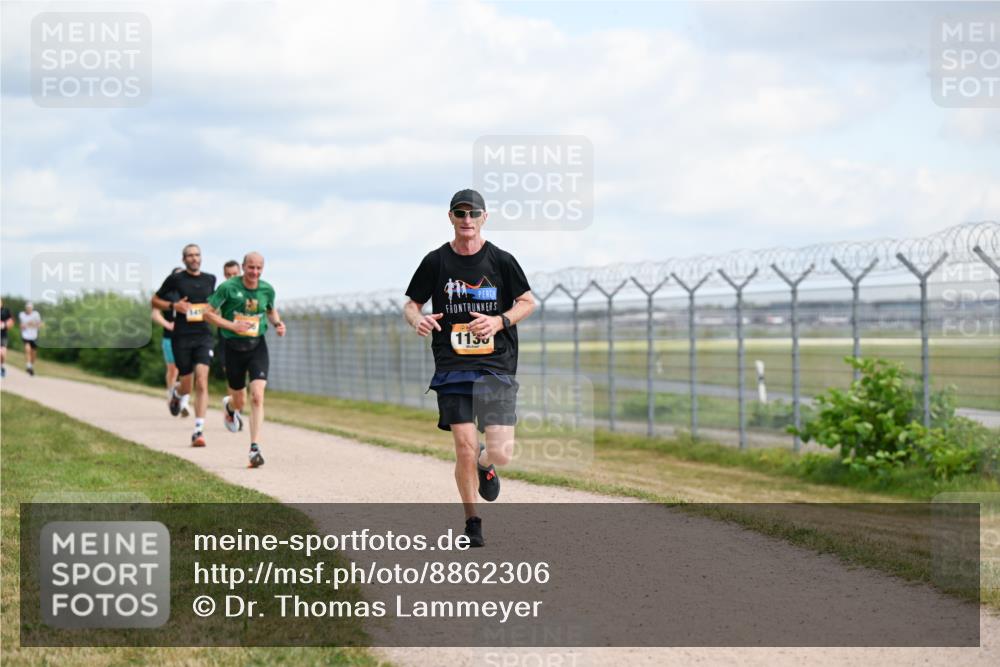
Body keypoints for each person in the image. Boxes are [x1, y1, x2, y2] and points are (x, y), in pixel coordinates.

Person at [403, 189, 535, 547]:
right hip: (452, 366)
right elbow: (411, 303)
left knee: (501, 452)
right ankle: (472, 521)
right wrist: (417, 319)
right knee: (462, 444)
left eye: (472, 214)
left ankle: (485, 462)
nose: (466, 220)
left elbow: (527, 301)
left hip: (496, 365)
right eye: (459, 214)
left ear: (484, 218)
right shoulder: (436, 261)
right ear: (450, 217)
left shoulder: (502, 260)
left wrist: (499, 321)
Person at [205, 252, 285, 468]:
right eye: (251, 267)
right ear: (243, 267)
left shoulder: (267, 289)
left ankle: (254, 448)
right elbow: (207, 313)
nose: (255, 272)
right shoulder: (228, 288)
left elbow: (270, 309)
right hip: (233, 348)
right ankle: (230, 407)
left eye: (259, 268)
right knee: (239, 401)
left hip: (257, 346)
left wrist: (278, 323)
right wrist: (232, 326)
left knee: (257, 396)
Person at [151, 244, 217, 447]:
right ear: (184, 259)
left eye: (197, 255)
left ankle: (198, 430)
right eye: (190, 255)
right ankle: (177, 394)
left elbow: (213, 303)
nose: (194, 258)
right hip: (181, 337)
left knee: (202, 381)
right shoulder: (176, 279)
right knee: (187, 384)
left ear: (201, 257)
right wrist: (174, 306)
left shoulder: (210, 279)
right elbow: (154, 301)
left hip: (204, 336)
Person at [152, 267, 185, 412]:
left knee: (187, 370)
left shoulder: (190, 292)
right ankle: (171, 394)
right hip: (170, 337)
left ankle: (183, 402)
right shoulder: (166, 294)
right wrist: (167, 324)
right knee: (173, 370)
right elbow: (155, 313)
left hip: (188, 336)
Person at [216, 260, 242, 376]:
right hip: (226, 336)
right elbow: (211, 311)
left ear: (240, 272)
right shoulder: (221, 291)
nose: (232, 277)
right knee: (230, 371)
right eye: (228, 275)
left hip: (245, 335)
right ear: (224, 275)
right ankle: (233, 394)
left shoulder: (251, 290)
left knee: (245, 371)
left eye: (235, 274)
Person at [18, 302, 42, 376]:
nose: (29, 309)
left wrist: (33, 324)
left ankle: (31, 366)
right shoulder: (22, 315)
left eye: (30, 308)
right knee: (27, 349)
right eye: (27, 308)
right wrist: (24, 325)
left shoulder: (36, 314)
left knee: (33, 354)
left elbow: (40, 324)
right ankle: (28, 365)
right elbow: (21, 325)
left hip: (34, 336)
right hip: (25, 335)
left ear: (32, 308)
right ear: (26, 308)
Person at [0, 298, 13, 378]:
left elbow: (11, 321)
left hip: (3, 335)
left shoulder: (6, 311)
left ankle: (2, 367)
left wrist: (4, 325)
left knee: (3, 353)